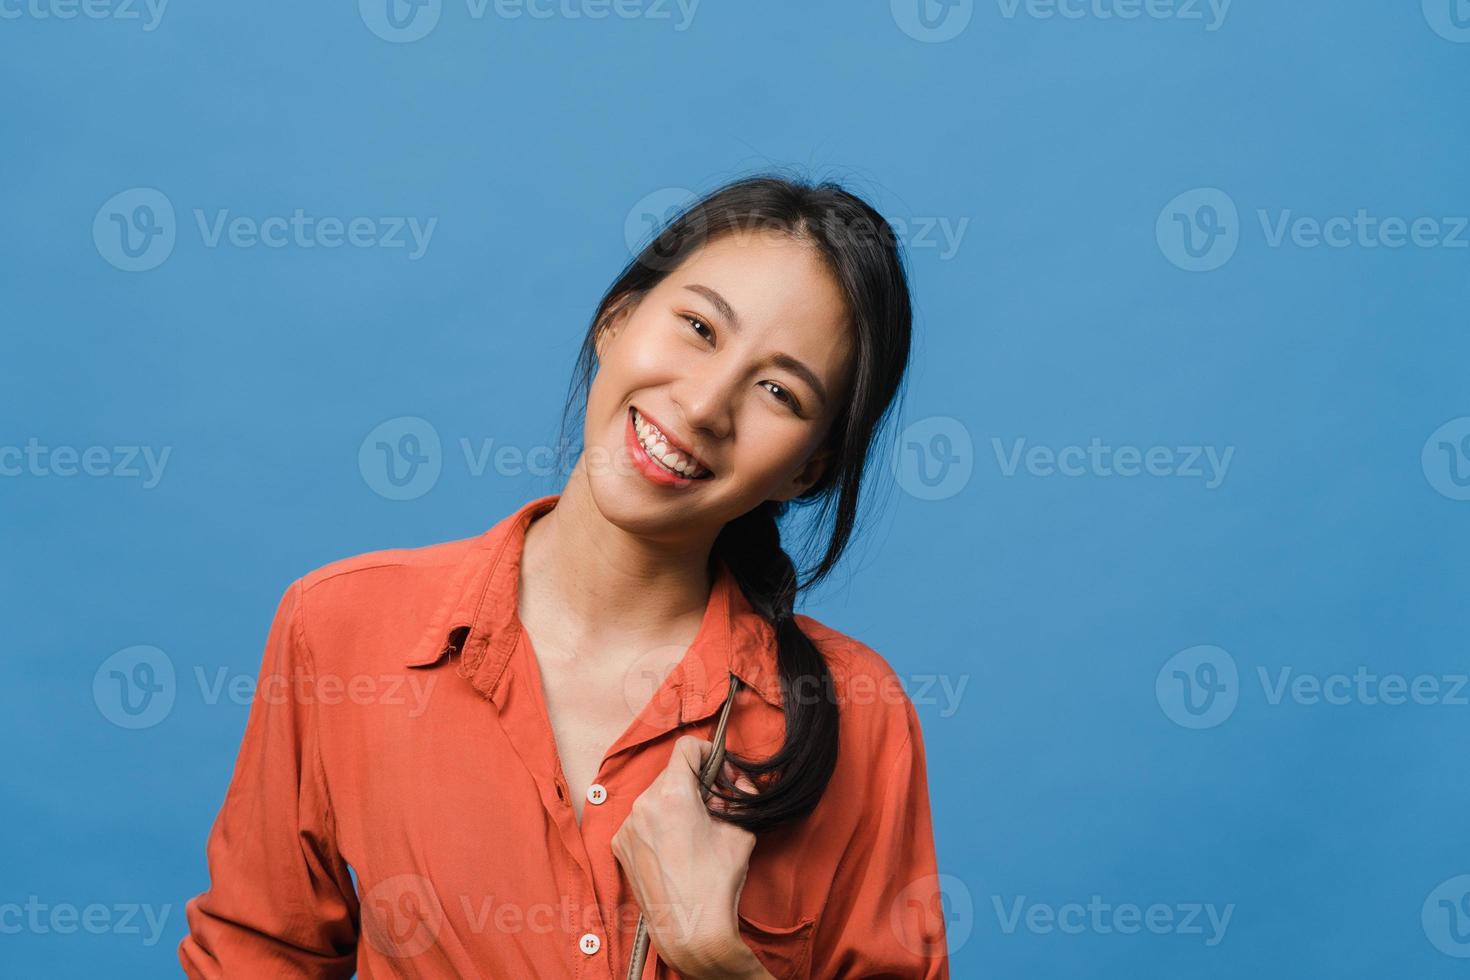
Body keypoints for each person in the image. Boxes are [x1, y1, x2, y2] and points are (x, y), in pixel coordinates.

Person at [178, 173, 951, 979]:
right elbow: (255, 955)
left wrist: (715, 959)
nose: (702, 405)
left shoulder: (860, 716)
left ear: (808, 470)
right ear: (616, 322)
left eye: (776, 391)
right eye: (698, 327)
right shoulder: (338, 629)